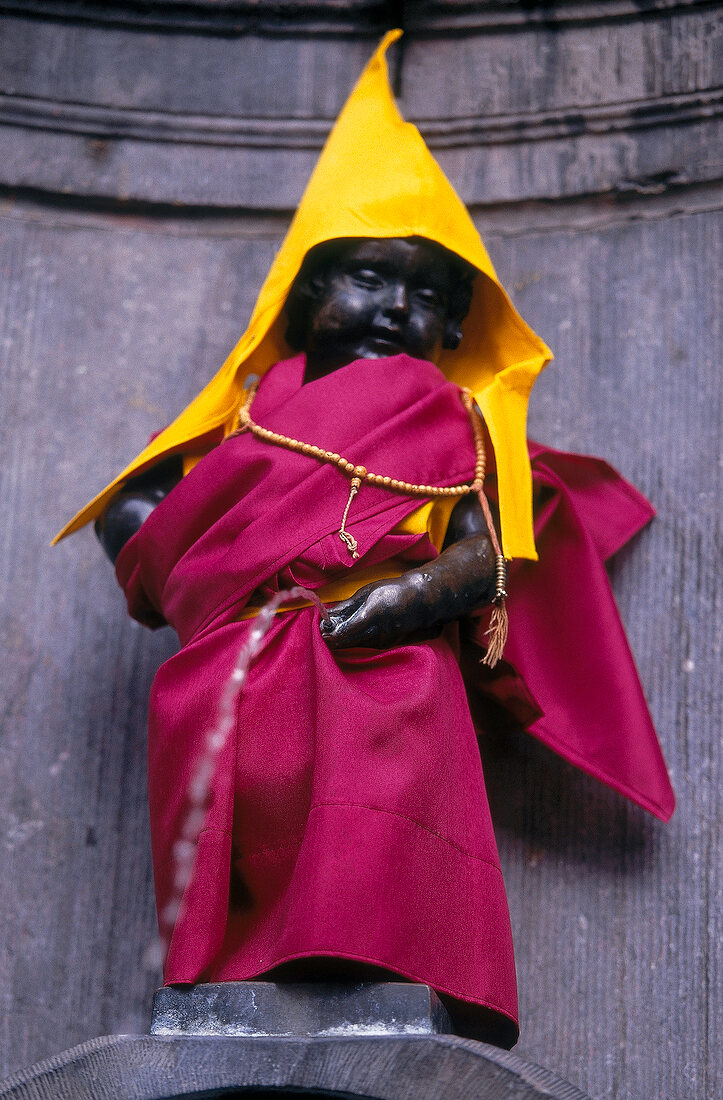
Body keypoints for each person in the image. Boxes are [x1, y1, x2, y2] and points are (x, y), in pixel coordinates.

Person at [55, 32, 674, 1048]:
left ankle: (385, 978)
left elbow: (483, 548)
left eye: (431, 296)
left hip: (384, 661)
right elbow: (149, 517)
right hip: (242, 665)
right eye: (373, 277)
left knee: (373, 832)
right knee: (243, 826)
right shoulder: (246, 422)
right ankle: (228, 979)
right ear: (304, 298)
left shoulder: (450, 418)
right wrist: (166, 547)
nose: (400, 308)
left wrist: (410, 599)